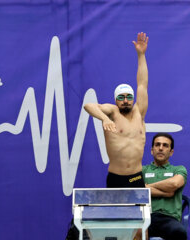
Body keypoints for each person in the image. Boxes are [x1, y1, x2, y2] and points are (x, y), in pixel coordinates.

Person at [65, 32, 149, 240]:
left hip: (137, 178)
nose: (126, 100)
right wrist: (104, 118)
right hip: (116, 178)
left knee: (141, 229)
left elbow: (142, 83)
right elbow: (88, 105)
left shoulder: (140, 112)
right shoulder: (111, 111)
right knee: (117, 226)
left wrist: (141, 55)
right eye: (121, 97)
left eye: (129, 97)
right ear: (116, 100)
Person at [143, 133, 188, 240]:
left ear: (171, 152)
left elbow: (174, 184)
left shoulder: (179, 169)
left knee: (179, 232)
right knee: (128, 231)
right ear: (152, 150)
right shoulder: (142, 170)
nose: (161, 148)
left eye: (165, 145)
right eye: (157, 145)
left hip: (169, 219)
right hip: (145, 217)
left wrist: (148, 186)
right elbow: (136, 189)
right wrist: (165, 192)